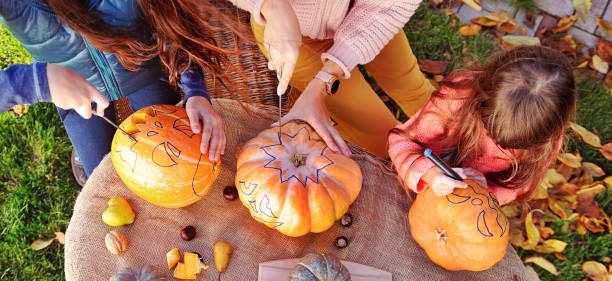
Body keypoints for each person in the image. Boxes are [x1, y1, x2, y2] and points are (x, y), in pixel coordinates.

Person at [0, 0, 228, 184]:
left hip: (144, 68)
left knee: (166, 159)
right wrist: (38, 82)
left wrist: (195, 88)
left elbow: (171, 21)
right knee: (100, 178)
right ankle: (82, 149)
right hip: (77, 95)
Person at [231, 0, 434, 158]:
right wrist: (273, 6)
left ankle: (454, 146)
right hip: (292, 33)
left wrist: (325, 78)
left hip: (374, 14)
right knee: (378, 133)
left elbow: (389, 7)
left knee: (413, 87)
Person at [387, 46, 577, 206]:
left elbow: (519, 187)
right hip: (418, 183)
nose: (498, 146)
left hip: (471, 205)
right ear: (481, 98)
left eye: (515, 146)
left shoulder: (547, 143)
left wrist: (487, 193)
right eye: (489, 130)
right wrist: (428, 173)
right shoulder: (456, 99)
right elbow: (400, 143)